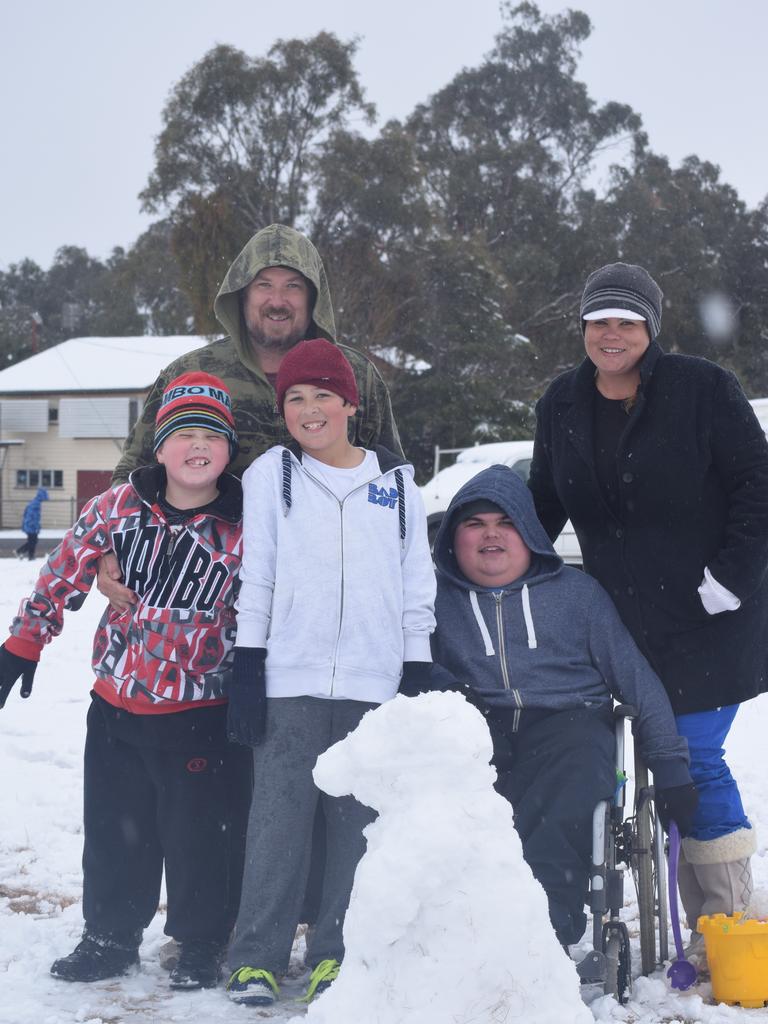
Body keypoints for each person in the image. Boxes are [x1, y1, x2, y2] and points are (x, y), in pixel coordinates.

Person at [528, 261, 768, 962]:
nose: (611, 334)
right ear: (582, 328)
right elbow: (542, 500)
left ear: (650, 328)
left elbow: (759, 486)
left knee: (691, 756)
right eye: (599, 320)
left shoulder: (703, 390)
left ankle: (723, 929)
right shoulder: (562, 404)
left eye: (626, 321)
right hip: (616, 621)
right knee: (599, 756)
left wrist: (729, 577)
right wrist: (502, 558)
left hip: (709, 619)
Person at [0, 373, 252, 991]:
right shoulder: (113, 509)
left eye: (212, 437)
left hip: (204, 711)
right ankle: (109, 937)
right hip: (115, 707)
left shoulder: (250, 523)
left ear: (229, 451)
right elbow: (61, 574)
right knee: (116, 833)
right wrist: (24, 644)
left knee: (200, 841)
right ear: (159, 447)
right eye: (184, 433)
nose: (198, 446)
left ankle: (198, 943)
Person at [223, 338, 436, 1007]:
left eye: (322, 395)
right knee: (277, 826)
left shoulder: (396, 484)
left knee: (356, 831)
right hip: (290, 680)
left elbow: (414, 582)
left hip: (373, 686)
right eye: (294, 398)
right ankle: (256, 958)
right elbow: (257, 575)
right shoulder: (273, 475)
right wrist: (251, 662)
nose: (309, 410)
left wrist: (417, 666)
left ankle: (334, 956)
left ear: (351, 402)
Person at [426, 463, 696, 948]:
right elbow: (411, 676)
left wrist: (671, 766)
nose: (491, 535)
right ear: (453, 537)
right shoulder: (430, 602)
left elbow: (637, 680)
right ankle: (459, 934)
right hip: (474, 728)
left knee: (565, 789)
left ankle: (543, 932)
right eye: (474, 524)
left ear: (530, 532)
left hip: (567, 725)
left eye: (506, 523)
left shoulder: (578, 596)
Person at [15, 486, 48, 559]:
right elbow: (32, 517)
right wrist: (35, 526)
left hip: (30, 525)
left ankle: (28, 554)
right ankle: (22, 552)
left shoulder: (35, 503)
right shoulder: (35, 504)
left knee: (33, 541)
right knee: (33, 541)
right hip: (30, 526)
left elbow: (31, 516)